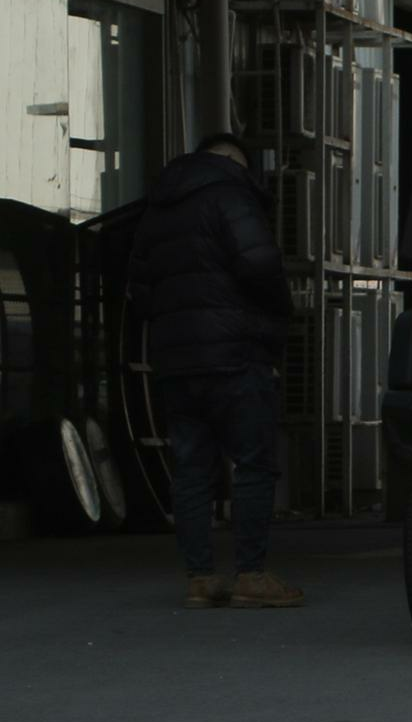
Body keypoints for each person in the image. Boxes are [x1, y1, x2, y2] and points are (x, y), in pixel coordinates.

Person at [128, 133, 303, 609]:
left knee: (190, 469)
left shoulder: (158, 207)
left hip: (176, 361)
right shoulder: (230, 194)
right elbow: (259, 262)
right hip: (235, 354)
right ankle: (251, 573)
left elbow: (140, 291)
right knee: (253, 462)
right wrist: (279, 317)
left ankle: (201, 577)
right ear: (232, 162)